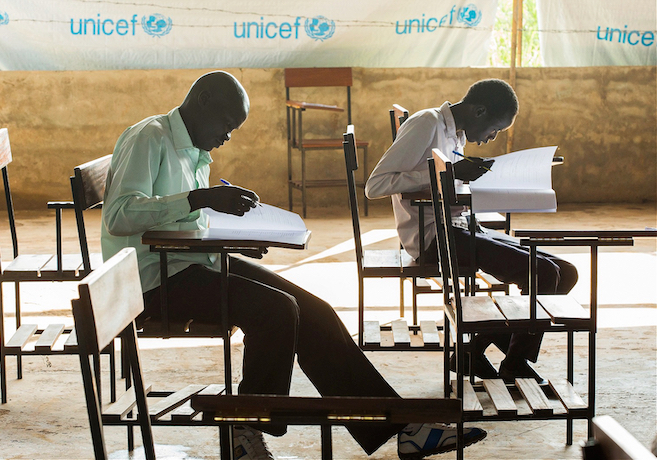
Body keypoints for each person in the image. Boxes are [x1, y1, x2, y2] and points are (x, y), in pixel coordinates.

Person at [101, 71, 486, 460]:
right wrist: (200, 198)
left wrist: (235, 236)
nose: (228, 136)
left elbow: (181, 217)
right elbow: (119, 215)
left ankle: (403, 429)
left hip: (191, 262)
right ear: (202, 101)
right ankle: (245, 431)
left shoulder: (191, 147)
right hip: (151, 281)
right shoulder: (149, 137)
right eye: (227, 125)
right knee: (275, 311)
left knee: (315, 310)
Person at [365, 79, 578, 383]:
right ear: (479, 111)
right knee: (543, 273)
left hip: (461, 226)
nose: (490, 137)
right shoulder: (426, 123)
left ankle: (473, 350)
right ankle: (512, 362)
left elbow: (446, 183)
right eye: (494, 130)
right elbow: (376, 185)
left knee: (565, 272)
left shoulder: (456, 136)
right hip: (432, 237)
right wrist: (449, 172)